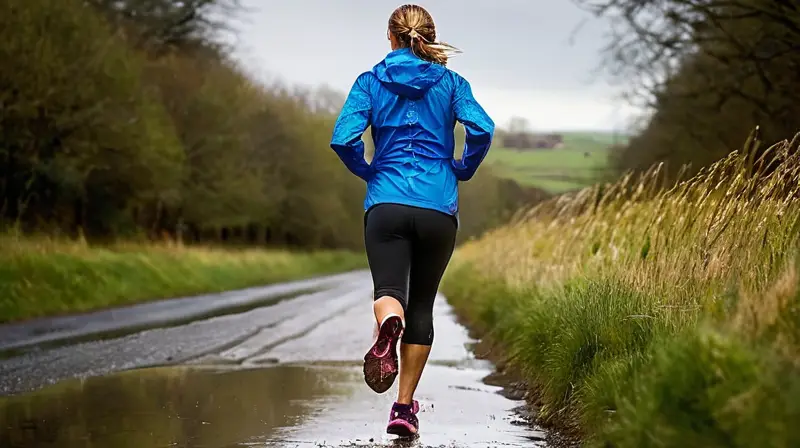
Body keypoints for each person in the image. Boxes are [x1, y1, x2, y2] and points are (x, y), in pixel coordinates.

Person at [330, 3, 494, 438]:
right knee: (422, 304)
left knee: (389, 292)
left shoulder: (370, 81)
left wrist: (368, 168)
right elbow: (481, 129)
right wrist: (462, 166)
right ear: (430, 37)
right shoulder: (452, 83)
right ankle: (403, 409)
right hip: (438, 207)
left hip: (385, 203)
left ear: (390, 38)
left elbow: (342, 137)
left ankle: (387, 321)